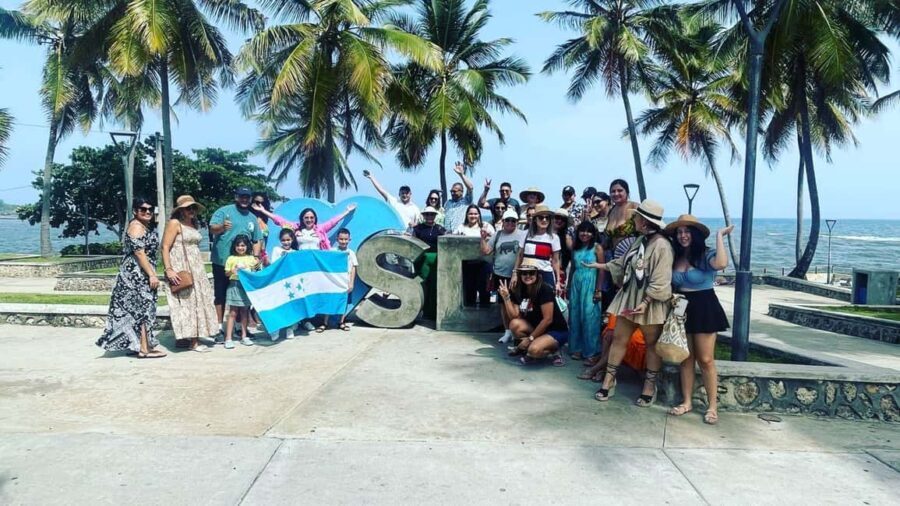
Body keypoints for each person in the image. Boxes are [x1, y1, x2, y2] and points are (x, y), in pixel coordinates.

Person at [582, 200, 674, 406]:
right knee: (619, 339)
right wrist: (599, 265)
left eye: (637, 217)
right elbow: (623, 262)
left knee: (651, 344)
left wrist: (647, 301)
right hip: (630, 295)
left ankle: (650, 385)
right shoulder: (639, 241)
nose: (634, 220)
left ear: (645, 221)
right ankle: (609, 380)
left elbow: (661, 278)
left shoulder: (662, 245)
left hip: (650, 302)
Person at [666, 215, 734, 425]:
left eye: (687, 231)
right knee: (685, 357)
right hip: (681, 306)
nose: (683, 236)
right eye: (679, 232)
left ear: (694, 234)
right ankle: (687, 402)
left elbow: (722, 263)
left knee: (705, 359)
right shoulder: (675, 256)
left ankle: (712, 406)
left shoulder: (704, 255)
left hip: (704, 305)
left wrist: (719, 236)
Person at [97, 198, 166, 358]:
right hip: (136, 276)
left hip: (137, 274)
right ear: (135, 211)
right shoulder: (136, 227)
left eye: (150, 209)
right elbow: (139, 253)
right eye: (143, 209)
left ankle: (140, 345)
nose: (147, 212)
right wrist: (152, 275)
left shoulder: (142, 226)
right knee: (143, 311)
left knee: (138, 311)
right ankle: (143, 349)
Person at [161, 195, 219, 352]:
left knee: (199, 300)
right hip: (181, 266)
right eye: (188, 208)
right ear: (181, 210)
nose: (191, 211)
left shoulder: (194, 224)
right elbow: (165, 246)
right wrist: (169, 269)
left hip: (196, 266)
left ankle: (189, 337)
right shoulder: (175, 223)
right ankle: (193, 341)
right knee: (187, 302)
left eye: (193, 208)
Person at [209, 188, 263, 337]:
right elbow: (212, 228)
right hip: (221, 262)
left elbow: (257, 239)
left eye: (247, 197)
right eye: (242, 197)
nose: (245, 200)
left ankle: (240, 327)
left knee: (241, 296)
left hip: (243, 267)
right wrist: (221, 227)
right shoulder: (223, 211)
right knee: (220, 295)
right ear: (236, 197)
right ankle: (219, 328)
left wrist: (256, 258)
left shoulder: (252, 218)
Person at [499, 259, 569, 366]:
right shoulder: (520, 289)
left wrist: (530, 338)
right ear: (520, 274)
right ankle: (532, 348)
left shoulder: (544, 289)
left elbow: (548, 319)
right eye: (524, 273)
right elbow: (514, 316)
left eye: (531, 273)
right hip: (537, 328)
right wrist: (506, 298)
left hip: (555, 330)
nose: (528, 275)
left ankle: (554, 351)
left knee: (534, 350)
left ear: (537, 274)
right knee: (514, 324)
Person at [481, 208, 526, 343]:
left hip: (517, 275)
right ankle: (507, 331)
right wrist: (483, 239)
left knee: (518, 304)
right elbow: (486, 251)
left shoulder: (523, 234)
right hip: (500, 274)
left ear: (517, 222)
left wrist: (517, 273)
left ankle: (517, 330)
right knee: (503, 304)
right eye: (508, 220)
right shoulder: (498, 235)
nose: (510, 223)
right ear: (503, 221)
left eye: (513, 221)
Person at [567, 221, 605, 362]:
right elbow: (572, 268)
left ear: (593, 234)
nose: (585, 234)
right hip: (577, 283)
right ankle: (576, 348)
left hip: (591, 283)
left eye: (588, 231)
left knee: (590, 317)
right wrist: (569, 285)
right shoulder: (575, 248)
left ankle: (591, 351)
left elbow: (602, 269)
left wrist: (598, 289)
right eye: (582, 231)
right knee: (575, 316)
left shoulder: (597, 248)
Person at [252, 204, 356, 251]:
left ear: (315, 218)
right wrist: (263, 211)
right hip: (300, 260)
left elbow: (333, 221)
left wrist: (346, 212)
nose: (309, 220)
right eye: (306, 217)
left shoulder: (320, 229)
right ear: (302, 218)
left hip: (317, 260)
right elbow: (280, 220)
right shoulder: (295, 228)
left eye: (311, 217)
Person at [512, 204, 562, 295]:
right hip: (527, 274)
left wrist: (558, 281)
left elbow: (556, 261)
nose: (544, 220)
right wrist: (515, 274)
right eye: (541, 217)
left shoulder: (554, 238)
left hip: (545, 274)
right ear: (535, 219)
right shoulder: (525, 234)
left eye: (547, 218)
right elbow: (520, 255)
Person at [224, 235, 260, 349]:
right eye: (238, 245)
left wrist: (257, 265)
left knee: (245, 311)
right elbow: (226, 274)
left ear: (247, 246)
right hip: (234, 285)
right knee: (233, 312)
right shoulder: (231, 258)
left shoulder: (251, 258)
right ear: (234, 247)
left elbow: (256, 271)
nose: (240, 248)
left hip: (246, 287)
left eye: (243, 245)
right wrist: (232, 271)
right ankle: (228, 338)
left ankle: (244, 336)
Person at [455, 204, 495, 307]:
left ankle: (485, 317)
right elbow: (453, 240)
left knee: (485, 291)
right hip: (467, 264)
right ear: (467, 215)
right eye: (471, 214)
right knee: (469, 292)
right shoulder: (461, 227)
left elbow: (494, 239)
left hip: (484, 263)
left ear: (479, 215)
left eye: (476, 214)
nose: (473, 216)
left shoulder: (486, 226)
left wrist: (487, 236)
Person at [412, 207, 446, 319]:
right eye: (427, 214)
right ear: (424, 215)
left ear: (435, 216)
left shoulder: (440, 229)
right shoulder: (417, 229)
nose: (429, 216)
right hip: (422, 261)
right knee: (423, 285)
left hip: (437, 261)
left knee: (435, 286)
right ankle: (425, 311)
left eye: (432, 214)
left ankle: (434, 311)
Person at [322, 228, 358, 332]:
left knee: (344, 302)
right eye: (341, 239)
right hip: (334, 282)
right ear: (337, 239)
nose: (343, 241)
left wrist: (351, 283)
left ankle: (341, 322)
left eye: (346, 239)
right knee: (330, 301)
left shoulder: (351, 253)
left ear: (349, 239)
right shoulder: (332, 251)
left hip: (345, 282)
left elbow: (353, 268)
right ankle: (325, 323)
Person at [442, 162, 475, 232]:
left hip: (461, 234)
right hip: (447, 234)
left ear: (461, 192)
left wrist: (461, 175)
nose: (452, 193)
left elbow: (470, 187)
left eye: (455, 191)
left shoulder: (466, 201)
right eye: (451, 191)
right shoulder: (448, 203)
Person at [251, 192, 273, 265]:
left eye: (262, 203)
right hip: (249, 255)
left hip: (262, 257)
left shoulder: (266, 220)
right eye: (257, 202)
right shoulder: (247, 217)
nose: (259, 205)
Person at [553, 208, 574, 280]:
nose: (559, 221)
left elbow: (572, 253)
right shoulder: (544, 234)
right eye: (557, 217)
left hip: (560, 272)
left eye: (563, 219)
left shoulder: (567, 237)